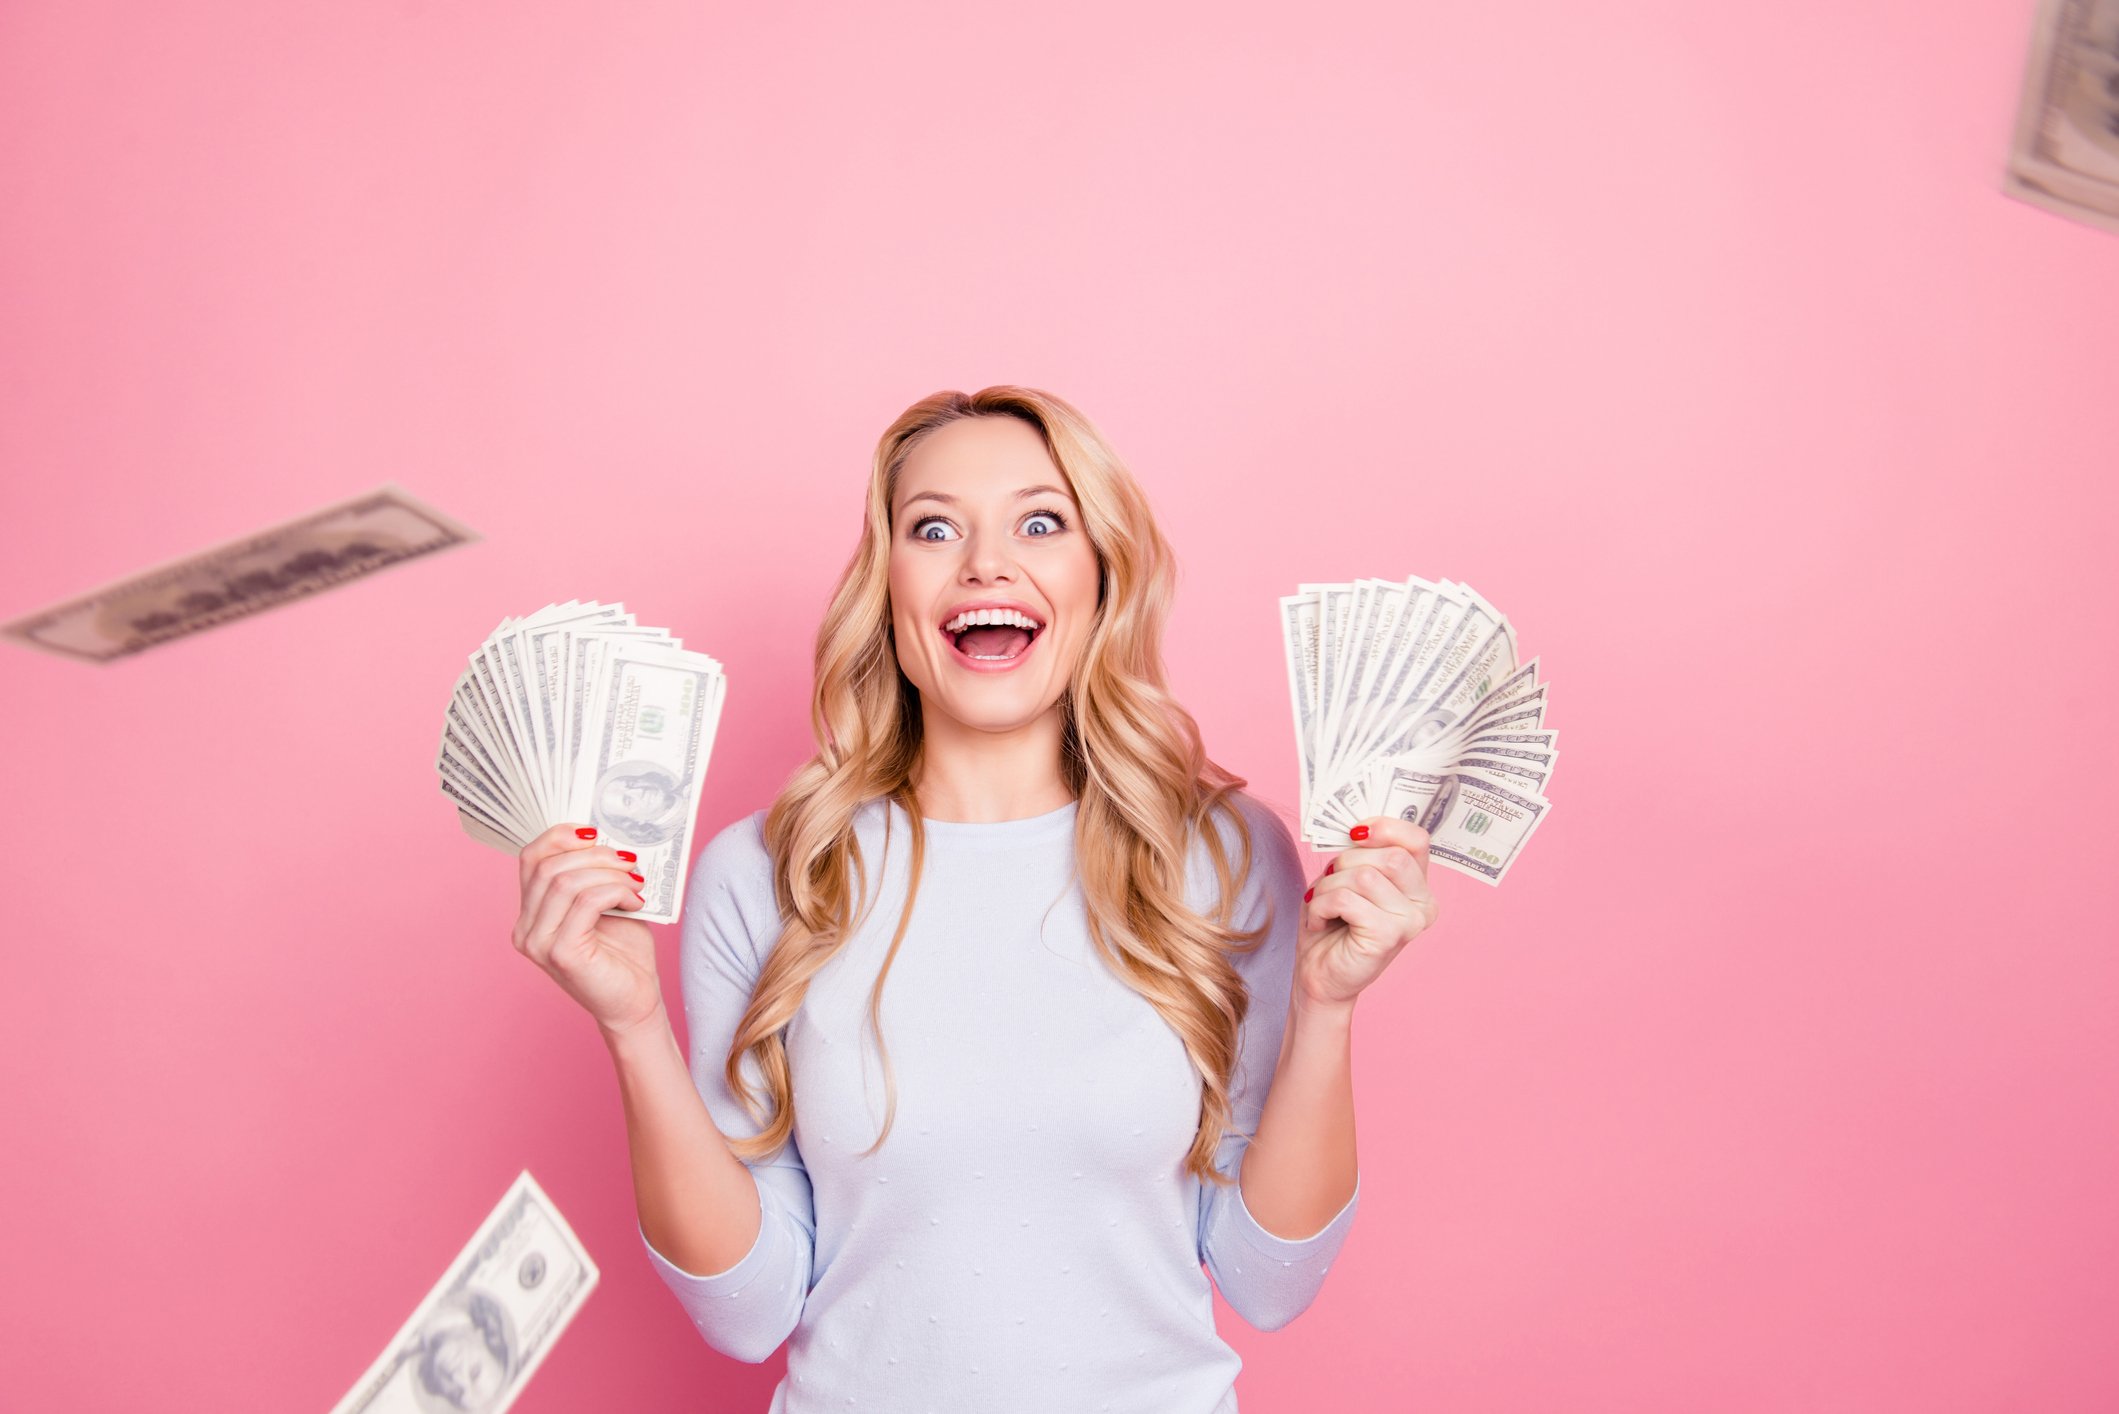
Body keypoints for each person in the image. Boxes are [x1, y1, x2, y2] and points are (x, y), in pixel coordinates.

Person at [506, 386, 1440, 1412]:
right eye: (933, 527)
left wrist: (1326, 1006)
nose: (985, 562)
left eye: (1040, 522)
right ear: (889, 588)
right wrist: (632, 1025)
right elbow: (748, 1311)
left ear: (1098, 578)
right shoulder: (768, 872)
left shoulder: (1221, 856)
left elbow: (1268, 1282)